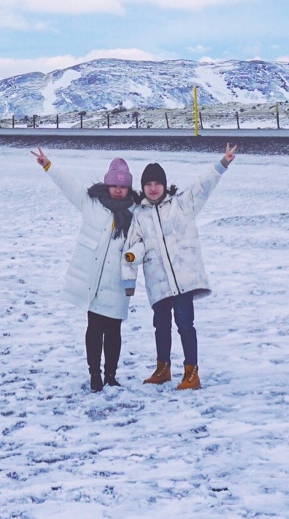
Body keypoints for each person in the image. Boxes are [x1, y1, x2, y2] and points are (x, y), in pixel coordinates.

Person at [127, 144, 237, 390]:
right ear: (142, 187)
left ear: (164, 185)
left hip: (184, 279)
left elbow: (202, 185)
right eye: (148, 184)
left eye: (157, 183)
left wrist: (223, 163)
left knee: (185, 324)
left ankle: (191, 372)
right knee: (161, 325)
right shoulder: (139, 215)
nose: (153, 188)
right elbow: (134, 243)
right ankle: (163, 368)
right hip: (158, 281)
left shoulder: (181, 204)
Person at [31, 147, 138, 392]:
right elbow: (69, 184)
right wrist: (49, 165)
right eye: (114, 185)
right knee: (94, 330)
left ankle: (111, 375)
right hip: (94, 282)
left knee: (114, 332)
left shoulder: (136, 212)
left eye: (123, 187)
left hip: (119, 283)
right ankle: (95, 374)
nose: (118, 190)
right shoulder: (91, 203)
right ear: (108, 184)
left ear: (129, 188)